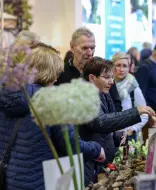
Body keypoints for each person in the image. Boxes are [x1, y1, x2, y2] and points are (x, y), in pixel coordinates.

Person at [0, 43, 104, 190]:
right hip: (39, 182)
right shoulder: (52, 100)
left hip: (8, 180)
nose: (56, 79)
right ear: (48, 72)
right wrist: (97, 149)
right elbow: (72, 145)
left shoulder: (5, 94)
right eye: (56, 73)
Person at [80, 56, 155, 185]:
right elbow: (101, 122)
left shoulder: (104, 94)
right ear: (92, 78)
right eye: (107, 77)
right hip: (90, 163)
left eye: (112, 77)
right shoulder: (86, 97)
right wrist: (135, 111)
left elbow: (109, 120)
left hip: (101, 161)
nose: (111, 82)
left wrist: (118, 134)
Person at [56, 27, 123, 112]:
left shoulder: (103, 70)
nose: (90, 53)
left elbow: (116, 103)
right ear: (72, 47)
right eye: (84, 48)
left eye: (92, 48)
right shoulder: (60, 72)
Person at [112, 52, 149, 142]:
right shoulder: (107, 85)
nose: (121, 69)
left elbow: (144, 113)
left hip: (128, 137)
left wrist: (132, 130)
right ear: (112, 66)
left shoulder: (133, 87)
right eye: (118, 65)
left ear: (129, 68)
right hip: (109, 136)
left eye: (125, 66)